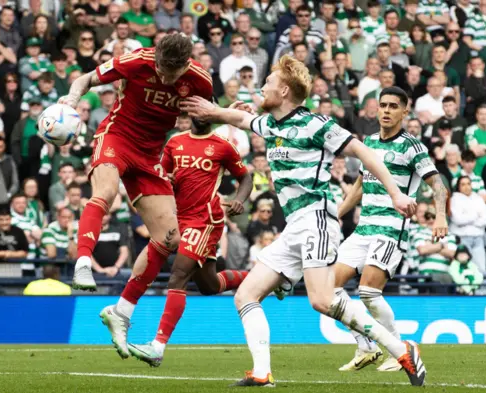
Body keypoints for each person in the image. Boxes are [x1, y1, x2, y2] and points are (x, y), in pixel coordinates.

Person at [182, 59, 426, 387]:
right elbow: (240, 117)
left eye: (268, 81)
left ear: (283, 90)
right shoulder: (271, 124)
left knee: (322, 301)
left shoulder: (316, 125)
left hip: (318, 222)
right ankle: (261, 373)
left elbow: (365, 154)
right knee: (246, 296)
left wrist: (396, 194)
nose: (262, 86)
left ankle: (401, 349)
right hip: (294, 228)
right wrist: (213, 111)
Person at [59, 35, 213, 319]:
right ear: (156, 60)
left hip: (149, 155)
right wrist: (70, 101)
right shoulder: (135, 61)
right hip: (116, 138)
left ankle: (122, 310)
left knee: (169, 238)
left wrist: (227, 113)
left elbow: (207, 118)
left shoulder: (200, 80)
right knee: (106, 192)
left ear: (184, 66)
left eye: (173, 75)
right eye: (162, 72)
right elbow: (84, 80)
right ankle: (83, 261)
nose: (167, 80)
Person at [126, 111, 254, 366]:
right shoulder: (175, 142)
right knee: (209, 285)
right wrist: (167, 179)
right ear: (192, 114)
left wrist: (239, 200)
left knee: (178, 275)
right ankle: (264, 276)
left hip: (205, 220)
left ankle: (157, 346)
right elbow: (163, 178)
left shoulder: (223, 146)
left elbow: (245, 177)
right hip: (180, 218)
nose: (204, 115)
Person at [333, 87, 448, 372]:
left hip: (390, 228)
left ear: (404, 111)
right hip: (363, 229)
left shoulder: (412, 146)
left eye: (393, 106)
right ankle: (365, 346)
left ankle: (401, 347)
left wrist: (440, 217)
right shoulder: (369, 142)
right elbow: (359, 186)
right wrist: (337, 214)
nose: (385, 110)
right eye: (382, 105)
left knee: (368, 292)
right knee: (327, 288)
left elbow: (438, 185)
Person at [450, 176, 486, 272]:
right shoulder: (454, 199)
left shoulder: (478, 198)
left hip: (478, 238)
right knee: (464, 269)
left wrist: (467, 216)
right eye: (463, 184)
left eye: (468, 183)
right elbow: (458, 220)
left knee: (481, 269)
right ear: (458, 186)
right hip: (462, 238)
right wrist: (476, 215)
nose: (466, 187)